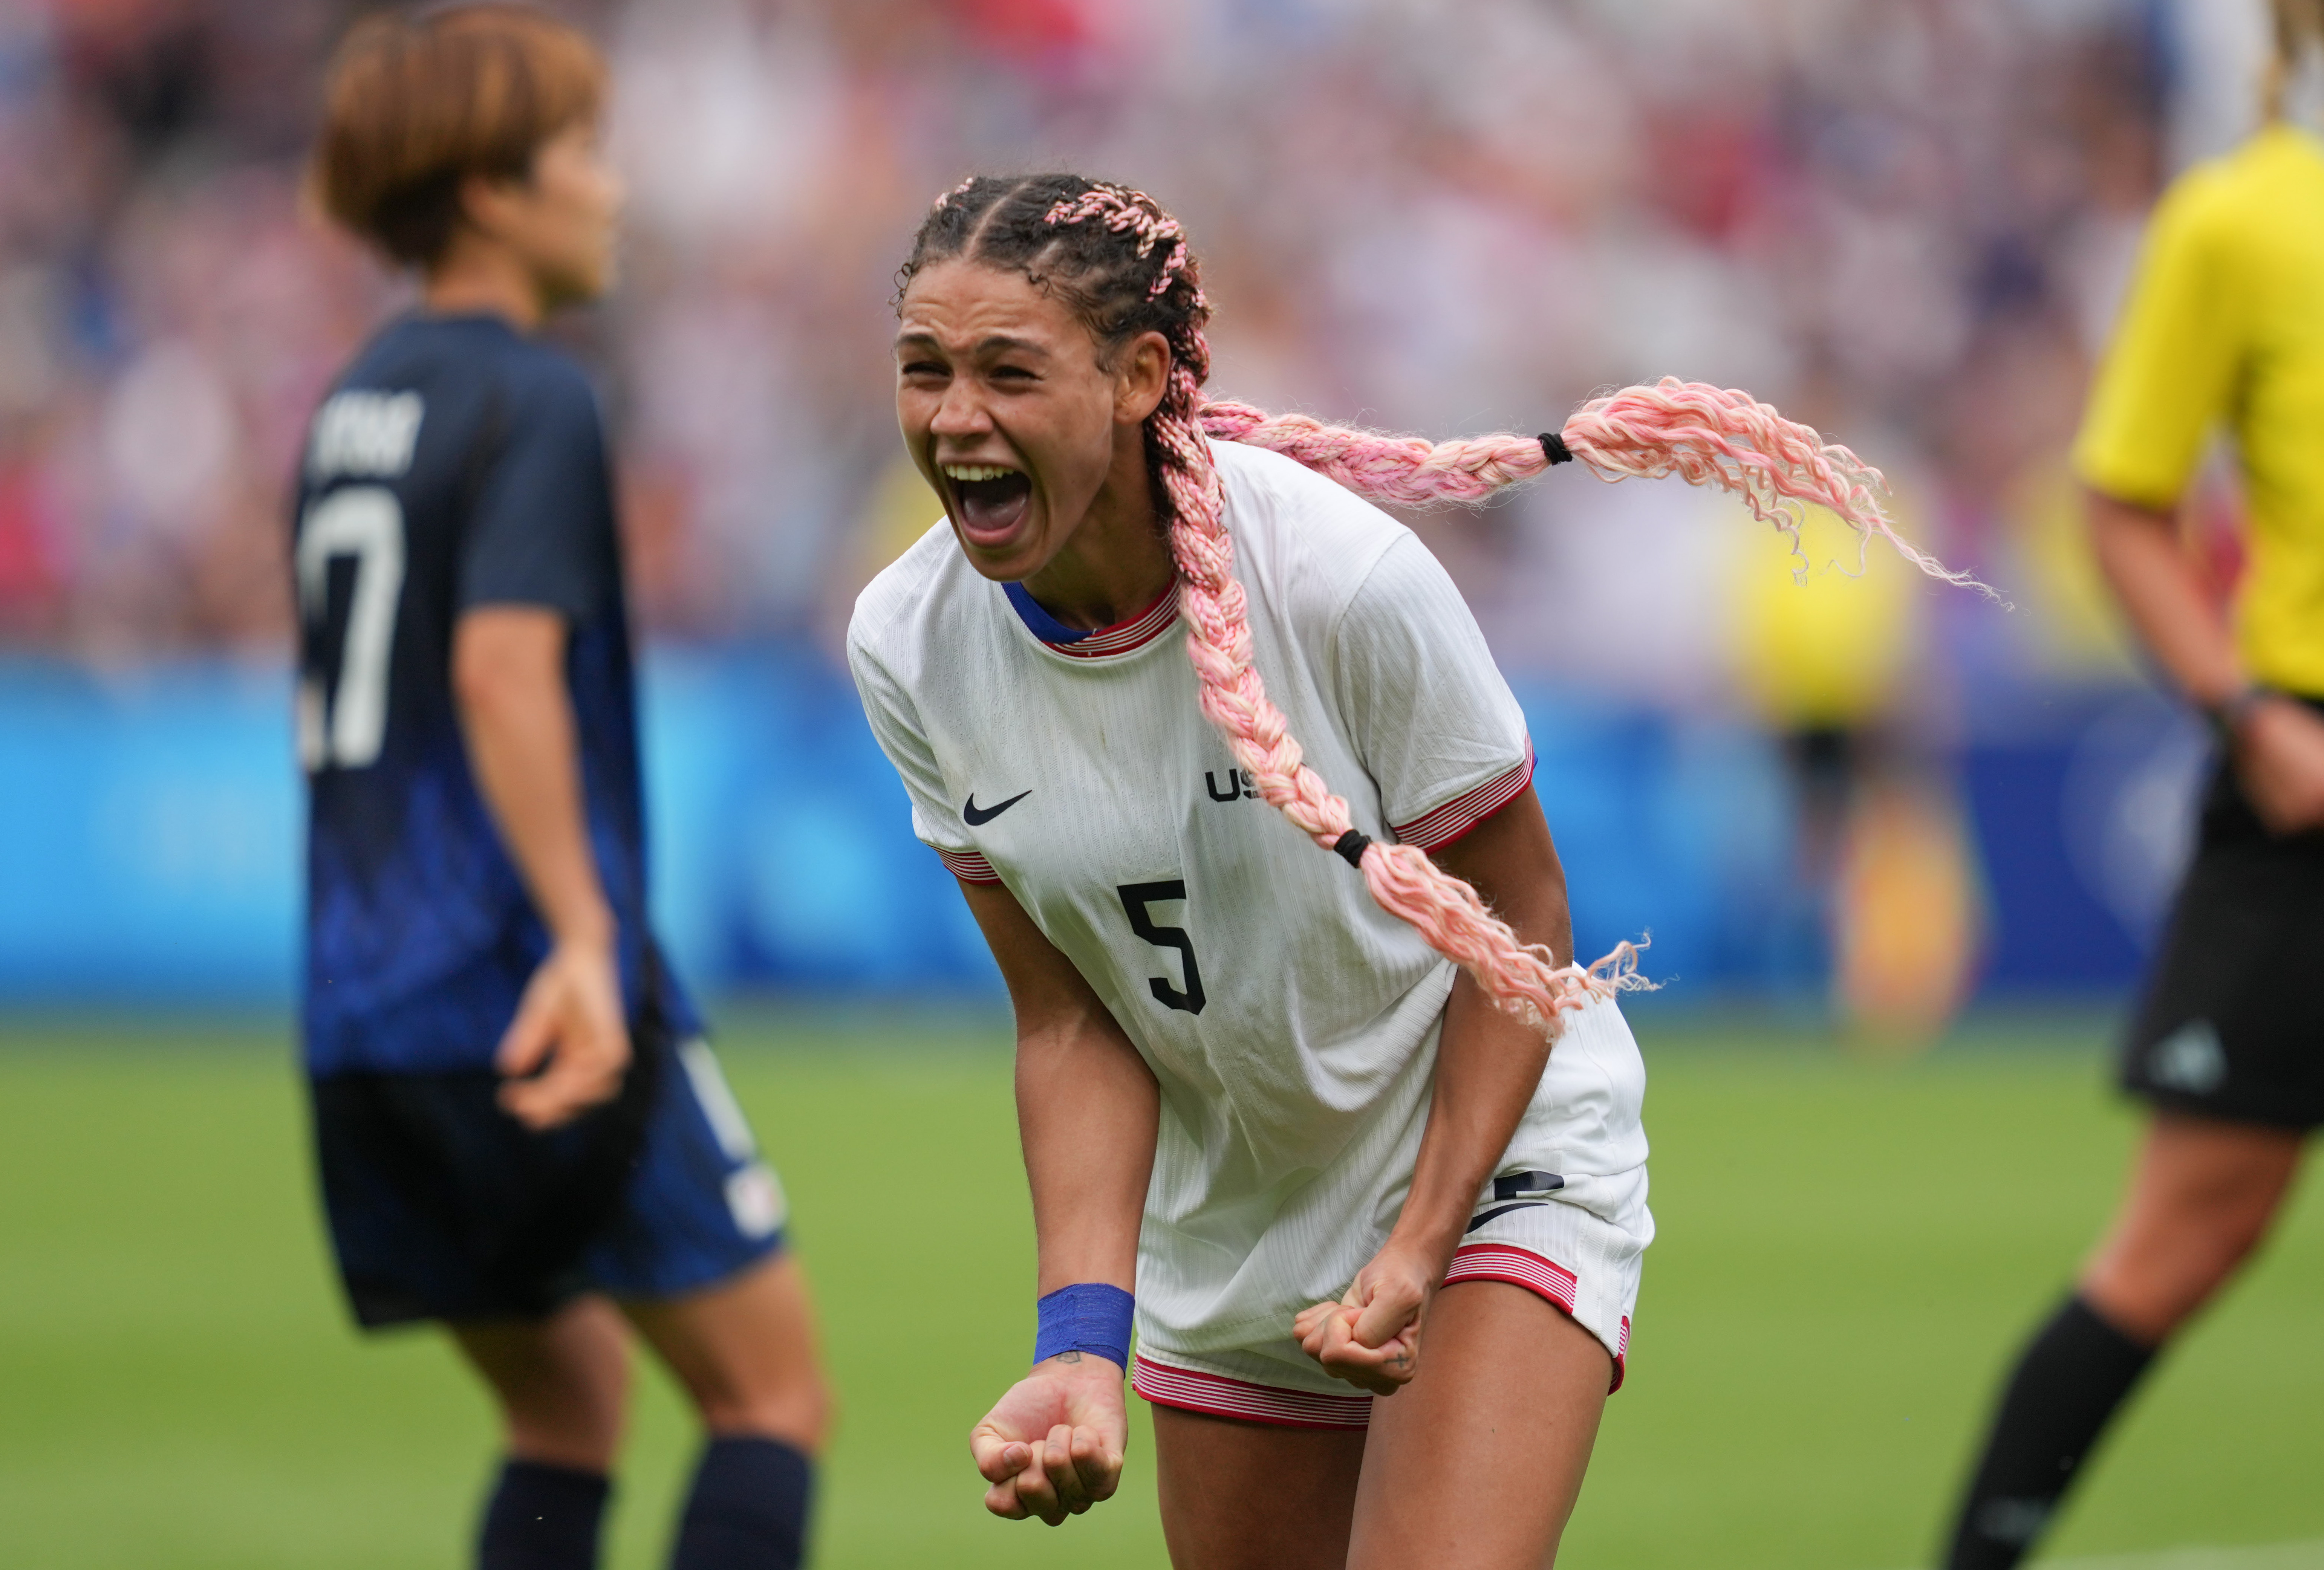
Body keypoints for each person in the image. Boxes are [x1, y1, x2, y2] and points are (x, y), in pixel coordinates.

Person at [849, 173, 1963, 1568]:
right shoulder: (906, 641)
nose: (955, 418)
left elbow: (1520, 927)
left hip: (1490, 1163)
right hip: (1242, 1209)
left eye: (1007, 371)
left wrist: (1416, 1248)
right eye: (923, 370)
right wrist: (1079, 1343)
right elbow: (1076, 1018)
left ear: (1140, 377)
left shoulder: (1338, 577)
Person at [294, 11, 826, 1568]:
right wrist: (589, 945)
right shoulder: (531, 395)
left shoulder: (350, 407)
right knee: (773, 1399)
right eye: (580, 153)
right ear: (486, 192)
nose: (610, 186)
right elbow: (500, 669)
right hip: (533, 988)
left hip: (364, 1014)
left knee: (564, 1411)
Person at [1939, 6, 2323, 1565]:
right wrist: (2250, 716)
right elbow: (2126, 502)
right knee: (2186, 1237)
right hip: (2307, 780)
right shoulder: (2238, 221)